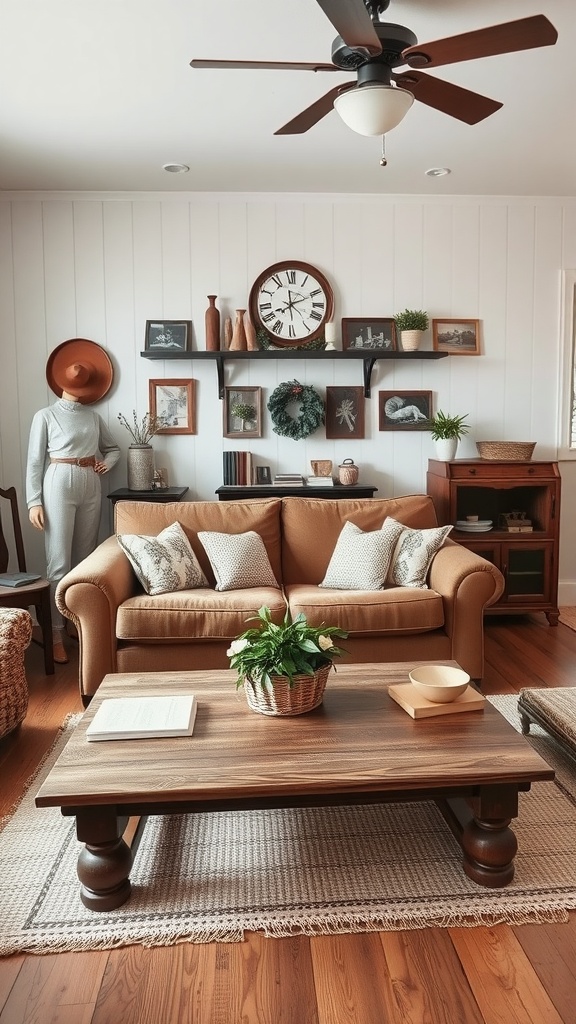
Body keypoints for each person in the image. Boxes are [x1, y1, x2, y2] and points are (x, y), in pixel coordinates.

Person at [26, 339, 120, 665]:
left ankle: (76, 623)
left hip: (89, 483)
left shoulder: (93, 418)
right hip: (58, 482)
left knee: (85, 560)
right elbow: (35, 462)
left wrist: (108, 462)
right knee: (58, 561)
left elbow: (113, 448)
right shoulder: (46, 415)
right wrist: (33, 501)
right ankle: (53, 630)